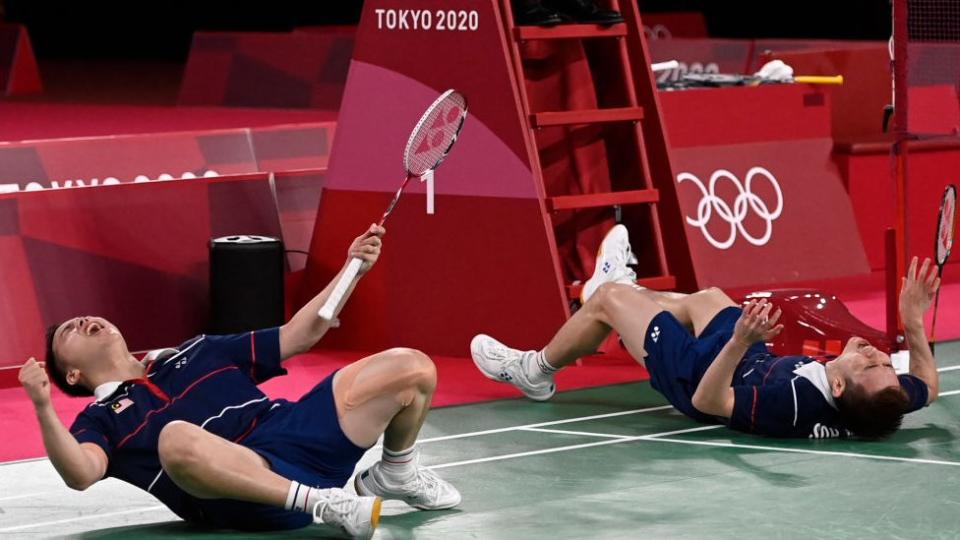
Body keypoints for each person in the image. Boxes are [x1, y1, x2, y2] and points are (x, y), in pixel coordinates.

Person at [18, 224, 460, 539]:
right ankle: (325, 504)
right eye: (69, 332)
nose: (83, 321)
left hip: (294, 437)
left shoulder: (198, 350)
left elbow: (297, 335)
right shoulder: (101, 420)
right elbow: (80, 475)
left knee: (410, 367)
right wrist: (42, 406)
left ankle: (397, 473)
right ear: (71, 374)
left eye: (86, 317)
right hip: (247, 491)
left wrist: (351, 270)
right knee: (176, 439)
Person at [471, 225, 939, 439]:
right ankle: (617, 294)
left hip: (699, 376)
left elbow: (708, 404)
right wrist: (913, 321)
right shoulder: (880, 401)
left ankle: (535, 370)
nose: (878, 355)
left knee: (609, 301)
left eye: (870, 363)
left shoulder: (791, 405)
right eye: (885, 363)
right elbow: (930, 390)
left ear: (836, 386)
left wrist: (740, 341)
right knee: (707, 298)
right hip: (751, 359)